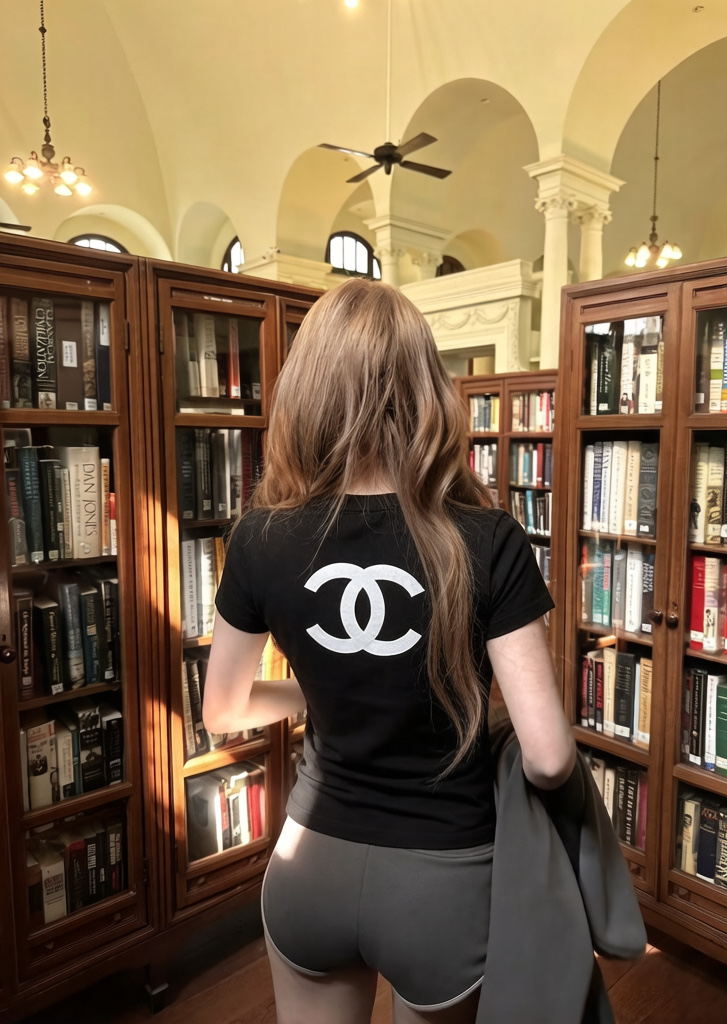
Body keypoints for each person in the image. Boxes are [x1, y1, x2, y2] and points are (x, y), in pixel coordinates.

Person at [202, 278, 576, 1024]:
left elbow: (222, 712)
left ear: (307, 391)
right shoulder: (488, 538)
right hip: (443, 880)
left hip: (311, 864)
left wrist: (325, 689)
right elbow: (549, 759)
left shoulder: (258, 536)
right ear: (427, 393)